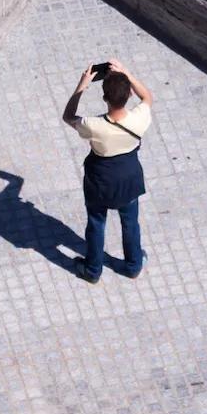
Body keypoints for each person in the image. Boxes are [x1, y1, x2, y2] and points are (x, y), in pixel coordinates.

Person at [61, 59, 153, 283]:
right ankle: (133, 266)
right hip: (129, 179)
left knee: (96, 222)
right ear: (129, 95)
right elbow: (148, 97)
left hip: (100, 181)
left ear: (104, 99)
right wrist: (127, 74)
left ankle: (93, 270)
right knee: (130, 222)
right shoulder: (140, 117)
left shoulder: (94, 125)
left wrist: (82, 85)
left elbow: (68, 116)